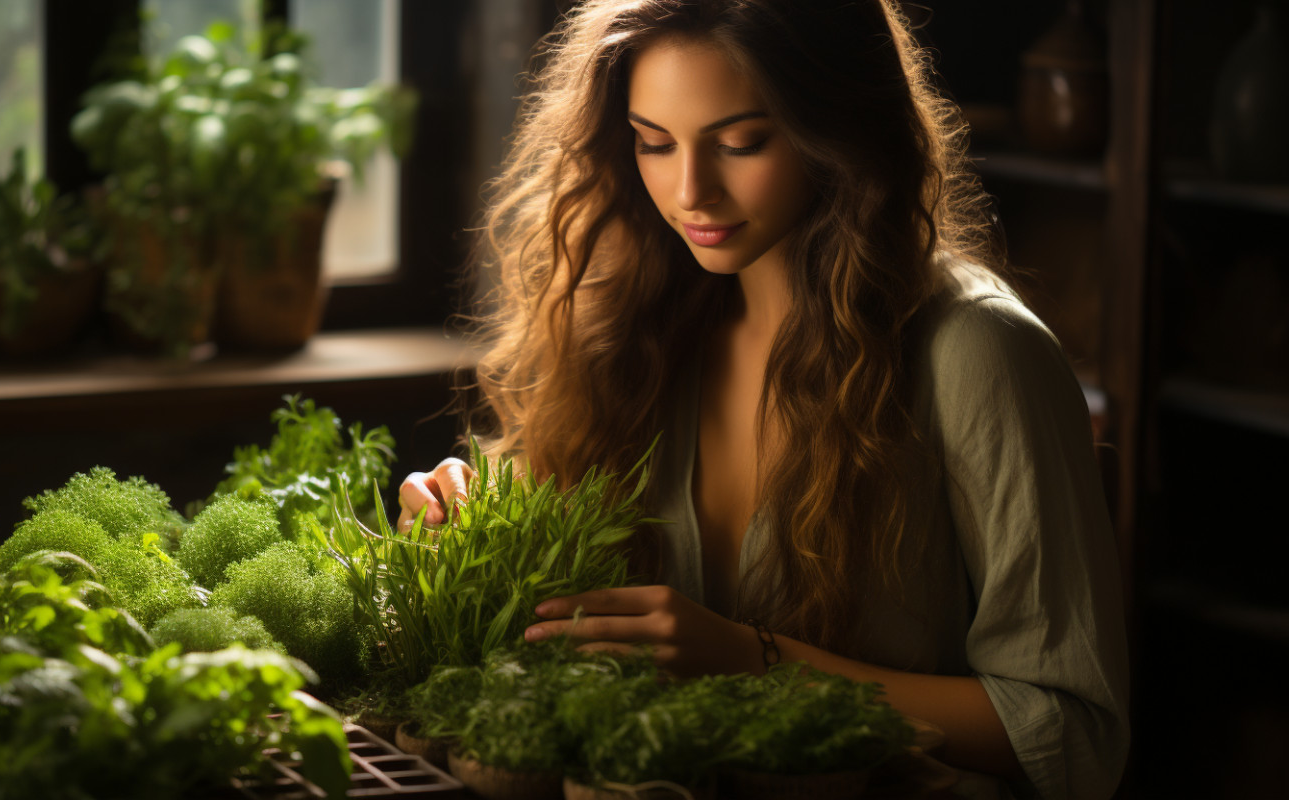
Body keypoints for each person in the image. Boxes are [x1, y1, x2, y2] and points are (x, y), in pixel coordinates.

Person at [398, 1, 1129, 797]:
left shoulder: (979, 354)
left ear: (840, 129)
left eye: (741, 142)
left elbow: (1071, 736)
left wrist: (758, 662)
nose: (690, 192)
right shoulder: (634, 330)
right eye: (652, 143)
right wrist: (470, 524)